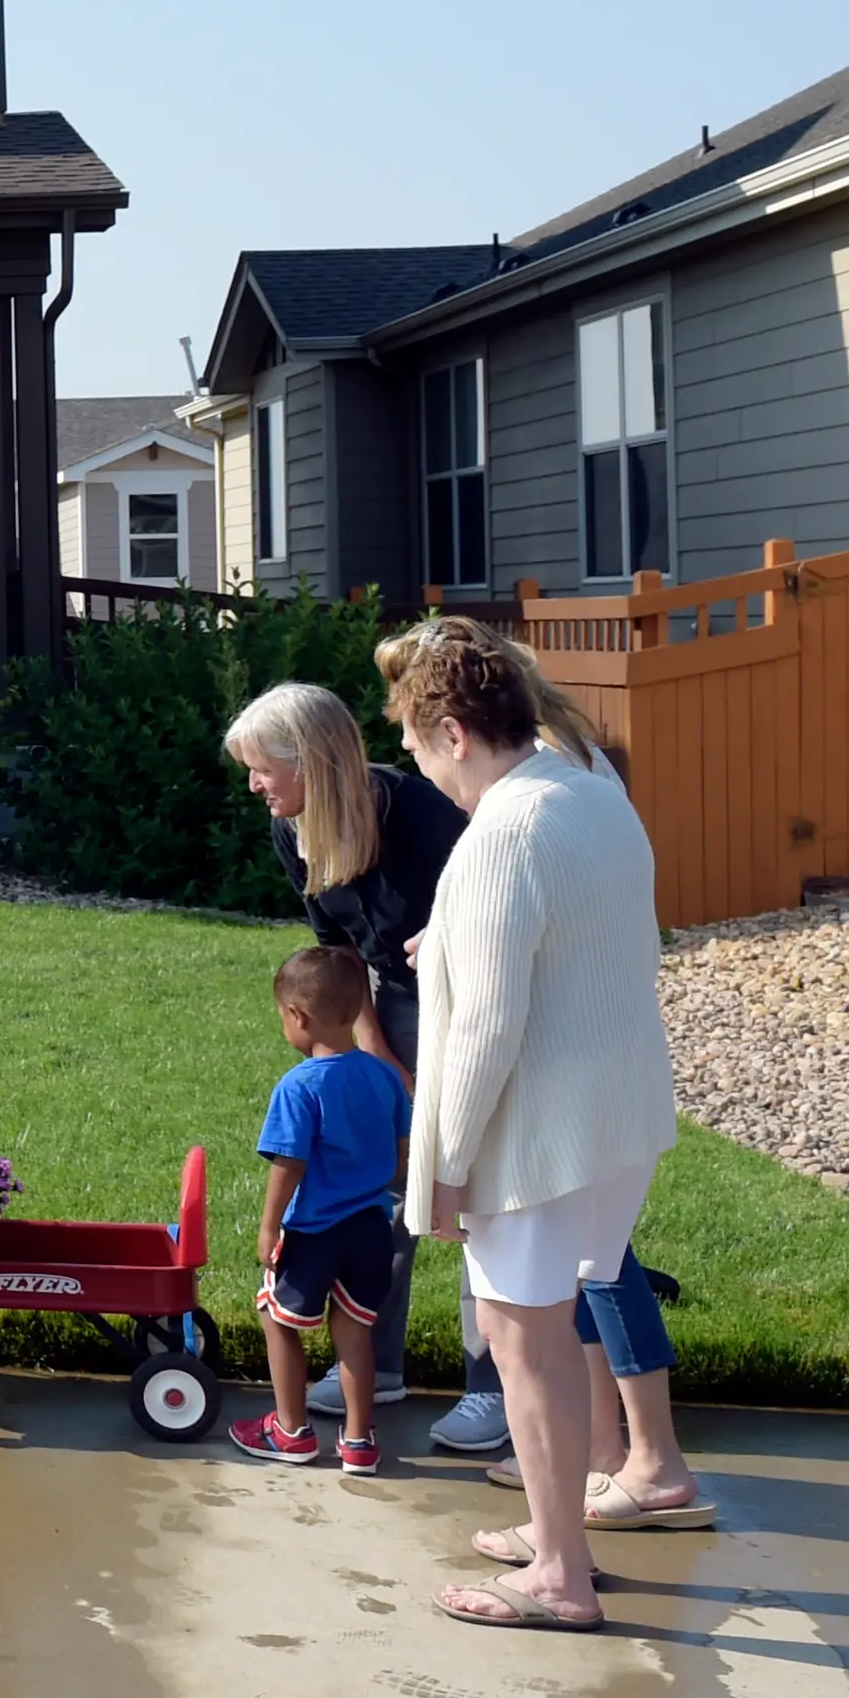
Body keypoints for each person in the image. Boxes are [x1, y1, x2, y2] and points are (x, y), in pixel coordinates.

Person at [381, 617, 679, 1633]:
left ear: (456, 733)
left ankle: (559, 1573)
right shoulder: (595, 792)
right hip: (619, 1114)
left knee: (523, 1339)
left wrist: (446, 1166)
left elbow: (489, 1028)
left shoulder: (502, 831)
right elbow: (584, 939)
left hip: (537, 1135)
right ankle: (565, 1524)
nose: (424, 776)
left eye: (420, 752)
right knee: (559, 1322)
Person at [467, 633, 715, 1532]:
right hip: (614, 1078)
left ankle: (642, 1461)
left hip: (570, 1090)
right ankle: (608, 1457)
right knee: (593, 1275)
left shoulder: (541, 792)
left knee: (586, 1285)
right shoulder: (587, 775)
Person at [222, 681, 500, 1447]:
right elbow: (342, 954)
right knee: (384, 1179)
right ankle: (373, 1367)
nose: (253, 785)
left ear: (310, 761)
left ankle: (496, 1385)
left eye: (262, 769)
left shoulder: (415, 815)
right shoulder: (295, 829)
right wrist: (377, 1055)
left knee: (476, 1184)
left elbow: (494, 907)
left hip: (477, 995)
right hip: (388, 994)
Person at [228, 943, 408, 1474]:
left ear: (297, 1016)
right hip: (373, 1227)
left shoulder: (298, 1086)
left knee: (275, 1316)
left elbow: (288, 1164)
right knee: (354, 1329)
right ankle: (358, 1441)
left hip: (314, 1231)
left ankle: (290, 1431)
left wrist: (268, 1228)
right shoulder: (384, 1077)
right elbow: (399, 1154)